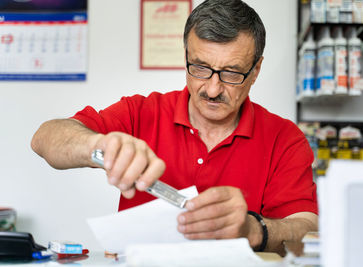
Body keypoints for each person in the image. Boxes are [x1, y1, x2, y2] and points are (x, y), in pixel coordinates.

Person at [31, 0, 318, 255]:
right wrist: (97, 147)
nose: (213, 88)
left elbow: (307, 229)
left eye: (231, 73)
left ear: (255, 70)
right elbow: (44, 139)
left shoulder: (285, 139)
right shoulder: (141, 113)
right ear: (186, 58)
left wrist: (253, 229)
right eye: (200, 67)